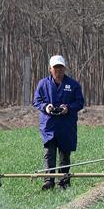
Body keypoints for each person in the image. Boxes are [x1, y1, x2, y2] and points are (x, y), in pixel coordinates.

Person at [33, 55, 85, 190]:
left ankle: (64, 182)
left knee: (64, 155)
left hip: (66, 126)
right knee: (49, 154)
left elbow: (80, 102)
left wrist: (68, 108)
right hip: (49, 126)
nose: (58, 70)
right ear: (50, 69)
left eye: (60, 67)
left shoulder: (73, 85)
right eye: (55, 68)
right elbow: (37, 101)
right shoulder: (43, 84)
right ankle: (48, 181)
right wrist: (46, 107)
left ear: (64, 68)